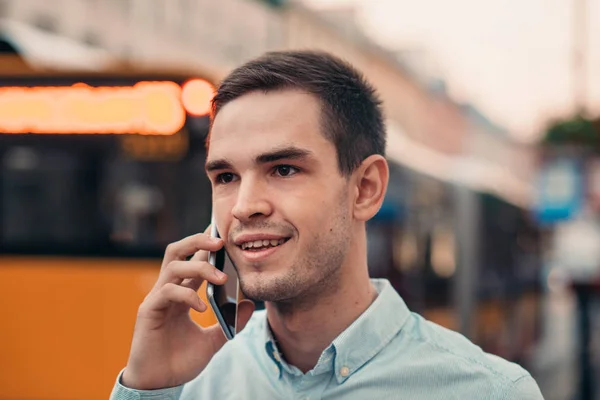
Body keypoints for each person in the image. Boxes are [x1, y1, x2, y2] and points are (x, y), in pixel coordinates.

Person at [110, 50, 544, 399]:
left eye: (283, 169)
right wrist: (148, 388)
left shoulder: (490, 391)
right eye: (225, 177)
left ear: (365, 189)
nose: (243, 206)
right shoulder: (191, 382)